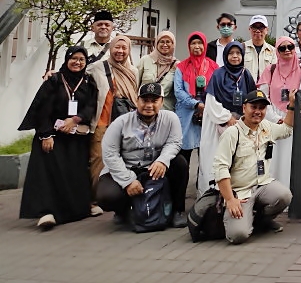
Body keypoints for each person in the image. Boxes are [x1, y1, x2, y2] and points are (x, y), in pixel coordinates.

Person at [19, 47, 98, 229]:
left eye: (81, 60)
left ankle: (76, 210)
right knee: (48, 174)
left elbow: (91, 105)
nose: (77, 62)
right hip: (52, 135)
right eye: (74, 58)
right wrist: (46, 134)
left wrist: (75, 119)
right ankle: (47, 212)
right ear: (67, 59)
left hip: (74, 136)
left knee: (73, 173)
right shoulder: (54, 80)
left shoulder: (87, 81)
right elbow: (42, 109)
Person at [96, 82, 188, 228]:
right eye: (145, 100)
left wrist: (163, 160)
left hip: (153, 168)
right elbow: (110, 154)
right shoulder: (120, 122)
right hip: (126, 167)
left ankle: (177, 211)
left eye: (154, 101)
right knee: (106, 196)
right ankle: (122, 210)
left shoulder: (171, 119)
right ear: (137, 100)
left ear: (162, 102)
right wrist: (127, 181)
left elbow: (174, 142)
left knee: (180, 163)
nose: (149, 105)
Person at [214, 89, 295, 244]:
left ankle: (259, 220)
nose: (258, 112)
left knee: (284, 196)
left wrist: (291, 105)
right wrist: (230, 199)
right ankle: (236, 216)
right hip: (239, 192)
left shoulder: (266, 127)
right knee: (238, 235)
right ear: (244, 108)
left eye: (262, 108)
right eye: (254, 107)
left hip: (261, 185)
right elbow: (220, 169)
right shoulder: (232, 134)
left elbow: (286, 130)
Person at [198, 42, 257, 194]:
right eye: (231, 53)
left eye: (238, 53)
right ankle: (213, 196)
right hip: (218, 124)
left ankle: (238, 195)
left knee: (239, 161)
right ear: (225, 55)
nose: (235, 56)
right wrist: (227, 117)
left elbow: (252, 99)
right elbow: (211, 102)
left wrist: (244, 119)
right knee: (217, 160)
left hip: (241, 125)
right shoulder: (218, 74)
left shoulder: (246, 75)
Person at [87, 35, 139, 189]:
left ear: (129, 50)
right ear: (111, 48)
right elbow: (77, 71)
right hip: (103, 121)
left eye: (124, 48)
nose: (120, 51)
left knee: (124, 159)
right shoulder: (98, 66)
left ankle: (119, 194)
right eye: (117, 47)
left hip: (125, 121)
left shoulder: (133, 71)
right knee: (99, 159)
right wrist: (54, 74)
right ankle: (94, 199)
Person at [258, 36, 301, 188]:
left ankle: (290, 195)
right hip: (273, 119)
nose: (287, 51)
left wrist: (291, 115)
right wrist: (276, 118)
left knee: (291, 157)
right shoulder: (270, 70)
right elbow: (263, 96)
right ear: (276, 51)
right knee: (273, 157)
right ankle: (271, 194)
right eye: (282, 48)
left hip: (295, 118)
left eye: (290, 47)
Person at [174, 31, 217, 167]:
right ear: (189, 46)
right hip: (186, 115)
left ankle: (204, 187)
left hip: (207, 115)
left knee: (206, 158)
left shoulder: (213, 67)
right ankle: (181, 187)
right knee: (183, 157)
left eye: (199, 43)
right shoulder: (181, 67)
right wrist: (196, 104)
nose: (196, 46)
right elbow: (178, 91)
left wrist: (206, 106)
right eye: (193, 43)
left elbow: (216, 90)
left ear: (205, 45)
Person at [136, 31, 177, 111]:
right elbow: (135, 85)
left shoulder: (176, 65)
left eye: (168, 42)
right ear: (156, 43)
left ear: (173, 44)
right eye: (162, 41)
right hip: (145, 109)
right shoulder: (145, 60)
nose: (165, 45)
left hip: (166, 111)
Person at [243, 15, 276, 82]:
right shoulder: (242, 47)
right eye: (254, 27)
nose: (258, 31)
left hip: (266, 89)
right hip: (247, 88)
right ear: (249, 29)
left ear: (267, 30)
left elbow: (275, 73)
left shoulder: (273, 51)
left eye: (261, 27)